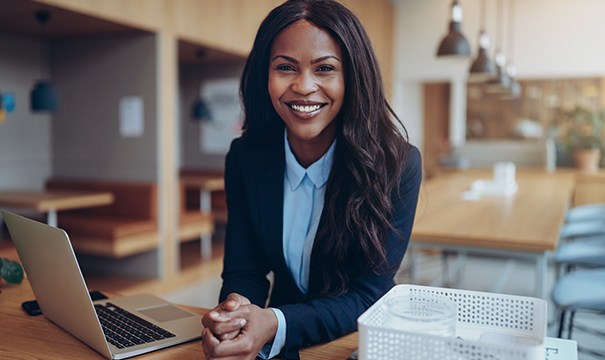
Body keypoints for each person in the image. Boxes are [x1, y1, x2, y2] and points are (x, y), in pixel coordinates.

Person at [201, 0, 422, 359]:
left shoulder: (396, 165)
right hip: (277, 346)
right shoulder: (245, 159)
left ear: (352, 77)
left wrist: (273, 323)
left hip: (349, 343)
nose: (304, 86)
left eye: (325, 69)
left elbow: (369, 293)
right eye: (285, 67)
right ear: (265, 76)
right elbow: (245, 270)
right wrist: (234, 315)